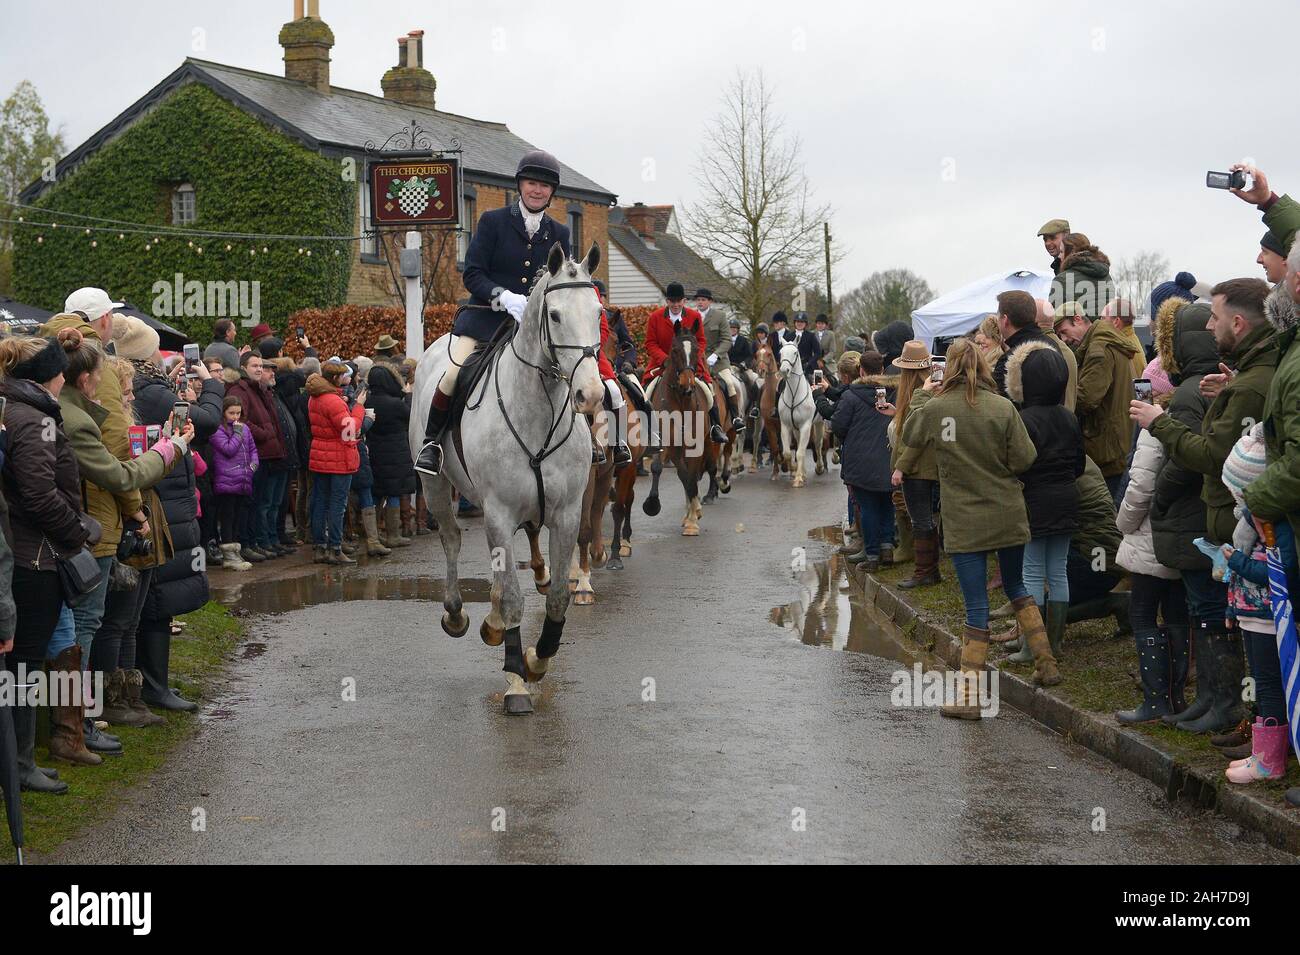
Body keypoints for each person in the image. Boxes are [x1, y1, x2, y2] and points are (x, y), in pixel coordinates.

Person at [1132, 279, 1277, 734]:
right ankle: (1218, 702)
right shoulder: (1238, 379)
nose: (1211, 325)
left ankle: (1238, 713)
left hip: (1235, 520)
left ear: (1236, 322)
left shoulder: (1239, 385)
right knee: (1211, 614)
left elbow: (1208, 455)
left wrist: (1159, 424)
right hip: (1219, 518)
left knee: (1227, 618)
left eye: (1216, 317)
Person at [897, 338, 1060, 717]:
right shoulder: (1002, 407)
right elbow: (1025, 458)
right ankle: (1046, 663)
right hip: (1007, 512)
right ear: (985, 368)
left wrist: (922, 398)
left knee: (976, 606)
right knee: (1018, 587)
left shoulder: (937, 408)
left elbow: (910, 437)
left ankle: (970, 698)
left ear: (947, 368)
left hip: (965, 519)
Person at [416, 149, 571, 475]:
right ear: (520, 185)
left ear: (552, 192)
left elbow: (562, 285)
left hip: (537, 330)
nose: (537, 190)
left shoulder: (560, 233)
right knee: (452, 374)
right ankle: (431, 443)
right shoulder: (492, 221)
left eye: (544, 186)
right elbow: (472, 273)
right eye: (531, 183)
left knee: (573, 372)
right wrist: (505, 297)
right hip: (486, 320)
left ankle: (586, 443)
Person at [0, 331, 103, 792]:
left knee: (23, 665)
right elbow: (39, 495)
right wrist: (77, 532)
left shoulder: (21, 410)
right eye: (61, 371)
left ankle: (20, 760)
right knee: (23, 666)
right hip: (34, 558)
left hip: (30, 552)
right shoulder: (34, 419)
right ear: (49, 377)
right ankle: (19, 766)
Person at [1218, 426, 1294, 783]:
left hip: (1267, 615)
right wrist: (1233, 610)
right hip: (1250, 613)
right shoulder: (1252, 521)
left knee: (1268, 684)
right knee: (1262, 681)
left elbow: (1274, 571)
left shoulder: (1274, 526)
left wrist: (1235, 561)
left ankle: (1269, 761)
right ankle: (1266, 752)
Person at [1003, 341, 1085, 663]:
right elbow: (1079, 464)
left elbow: (1017, 463)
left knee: (1032, 572)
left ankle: (1031, 646)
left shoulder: (1023, 419)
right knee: (1059, 571)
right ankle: (1055, 642)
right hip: (1067, 497)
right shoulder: (1069, 418)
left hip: (1034, 500)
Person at [1114, 373, 1188, 724]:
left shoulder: (1153, 429)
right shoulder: (1190, 422)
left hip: (1148, 535)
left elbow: (1140, 484)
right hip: (1179, 535)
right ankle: (1176, 697)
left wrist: (1123, 523)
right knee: (1176, 613)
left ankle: (1155, 700)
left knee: (1142, 613)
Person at [1055, 295, 1139, 504]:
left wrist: (1057, 410)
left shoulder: (1099, 347)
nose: (1064, 340)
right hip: (1119, 443)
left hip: (1108, 448)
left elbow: (1087, 398)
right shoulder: (1109, 341)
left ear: (1078, 319)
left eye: (1064, 332)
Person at [822, 351, 895, 569]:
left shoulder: (851, 395)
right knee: (886, 504)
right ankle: (887, 547)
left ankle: (872, 555)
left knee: (868, 507)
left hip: (860, 460)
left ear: (861, 370)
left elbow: (838, 426)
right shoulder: (893, 392)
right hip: (888, 456)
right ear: (882, 370)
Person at [642, 282, 728, 445]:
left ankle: (715, 427)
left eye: (678, 301)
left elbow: (701, 341)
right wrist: (665, 359)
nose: (675, 305)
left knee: (709, 391)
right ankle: (648, 432)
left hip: (689, 364)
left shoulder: (694, 317)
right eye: (672, 301)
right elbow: (650, 344)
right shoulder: (655, 317)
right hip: (662, 364)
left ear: (684, 301)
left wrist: (693, 356)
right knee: (646, 393)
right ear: (667, 301)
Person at [887, 341, 941, 589]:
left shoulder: (922, 392)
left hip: (918, 466)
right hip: (925, 465)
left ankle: (924, 572)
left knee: (921, 520)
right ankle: (929, 571)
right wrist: (895, 412)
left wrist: (901, 467)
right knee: (926, 519)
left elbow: (918, 435)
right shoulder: (930, 389)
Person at [226, 351, 288, 562]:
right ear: (244, 368)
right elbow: (239, 419)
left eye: (261, 366)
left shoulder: (260, 389)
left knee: (263, 502)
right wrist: (264, 434)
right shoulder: (240, 390)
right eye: (255, 366)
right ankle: (248, 543)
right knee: (252, 504)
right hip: (254, 454)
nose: (259, 369)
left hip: (268, 454)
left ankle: (259, 542)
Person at [307, 360, 367, 564]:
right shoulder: (332, 400)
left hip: (320, 454)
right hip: (338, 456)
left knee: (320, 502)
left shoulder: (314, 397)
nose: (345, 379)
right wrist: (359, 407)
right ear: (334, 378)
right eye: (342, 376)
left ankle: (320, 547)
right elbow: (349, 428)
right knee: (337, 504)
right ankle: (335, 548)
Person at [364, 363, 417, 549]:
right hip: (396, 453)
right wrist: (409, 395)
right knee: (394, 492)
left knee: (376, 493)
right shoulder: (395, 404)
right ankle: (393, 535)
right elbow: (411, 417)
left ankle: (374, 536)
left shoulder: (368, 402)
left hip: (375, 452)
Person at [207, 396, 258, 570]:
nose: (235, 417)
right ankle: (228, 554)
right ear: (223, 413)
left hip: (243, 478)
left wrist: (252, 467)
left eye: (238, 413)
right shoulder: (218, 430)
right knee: (227, 517)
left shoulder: (244, 428)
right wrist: (236, 432)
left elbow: (253, 449)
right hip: (226, 480)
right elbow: (229, 449)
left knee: (238, 517)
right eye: (231, 413)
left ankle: (236, 551)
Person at [695, 287, 745, 433]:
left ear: (710, 301)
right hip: (698, 361)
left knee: (729, 383)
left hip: (718, 361)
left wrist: (716, 355)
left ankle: (736, 417)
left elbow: (727, 340)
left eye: (703, 300)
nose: (700, 302)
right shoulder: (690, 316)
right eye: (698, 300)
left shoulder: (719, 316)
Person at [992, 290, 1051, 398]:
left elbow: (1003, 406)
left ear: (1005, 320)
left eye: (998, 316)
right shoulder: (1053, 347)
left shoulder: (1009, 360)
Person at [1049, 232, 1115, 319]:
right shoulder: (1106, 275)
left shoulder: (1062, 279)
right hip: (1105, 330)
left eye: (1061, 252)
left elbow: (1053, 317)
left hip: (1076, 331)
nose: (1059, 257)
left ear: (1071, 252)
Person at [1034, 299, 1078, 412]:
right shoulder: (1066, 351)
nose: (1064, 338)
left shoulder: (1041, 351)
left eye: (1064, 331)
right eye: (1060, 334)